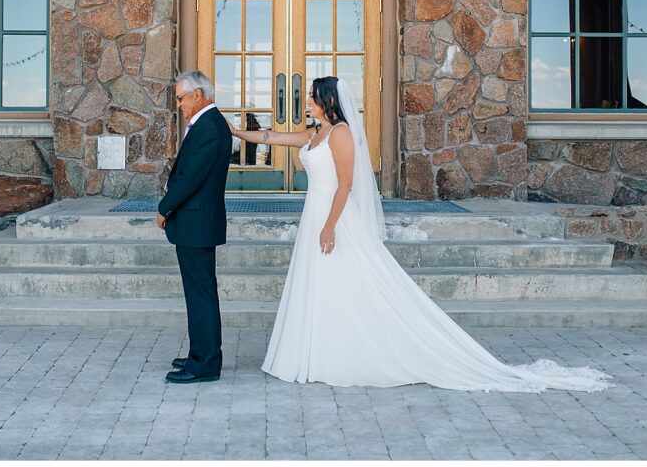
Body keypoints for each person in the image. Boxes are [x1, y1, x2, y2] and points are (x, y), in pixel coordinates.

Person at [229, 76, 612, 392]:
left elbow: (345, 185)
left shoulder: (341, 134)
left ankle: (355, 349)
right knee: (323, 284)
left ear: (328, 101)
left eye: (312, 98)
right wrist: (233, 131)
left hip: (335, 217)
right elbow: (272, 139)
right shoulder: (315, 135)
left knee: (352, 280)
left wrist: (329, 225)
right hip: (316, 214)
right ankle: (319, 349)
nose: (308, 102)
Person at [157, 71, 232, 384]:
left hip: (196, 221)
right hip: (196, 221)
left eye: (181, 97)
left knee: (201, 295)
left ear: (198, 94)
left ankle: (205, 363)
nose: (179, 104)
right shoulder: (209, 124)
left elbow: (190, 177)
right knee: (199, 293)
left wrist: (164, 207)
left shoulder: (209, 128)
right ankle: (201, 352)